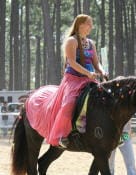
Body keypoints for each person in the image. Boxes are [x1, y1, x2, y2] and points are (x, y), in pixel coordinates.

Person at [26, 14, 107, 148]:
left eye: (91, 24)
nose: (91, 27)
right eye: (88, 24)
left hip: (89, 79)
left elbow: (97, 63)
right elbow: (72, 63)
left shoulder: (91, 43)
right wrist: (88, 73)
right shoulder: (72, 41)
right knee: (68, 103)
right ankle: (61, 136)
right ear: (80, 25)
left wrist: (103, 72)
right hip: (73, 80)